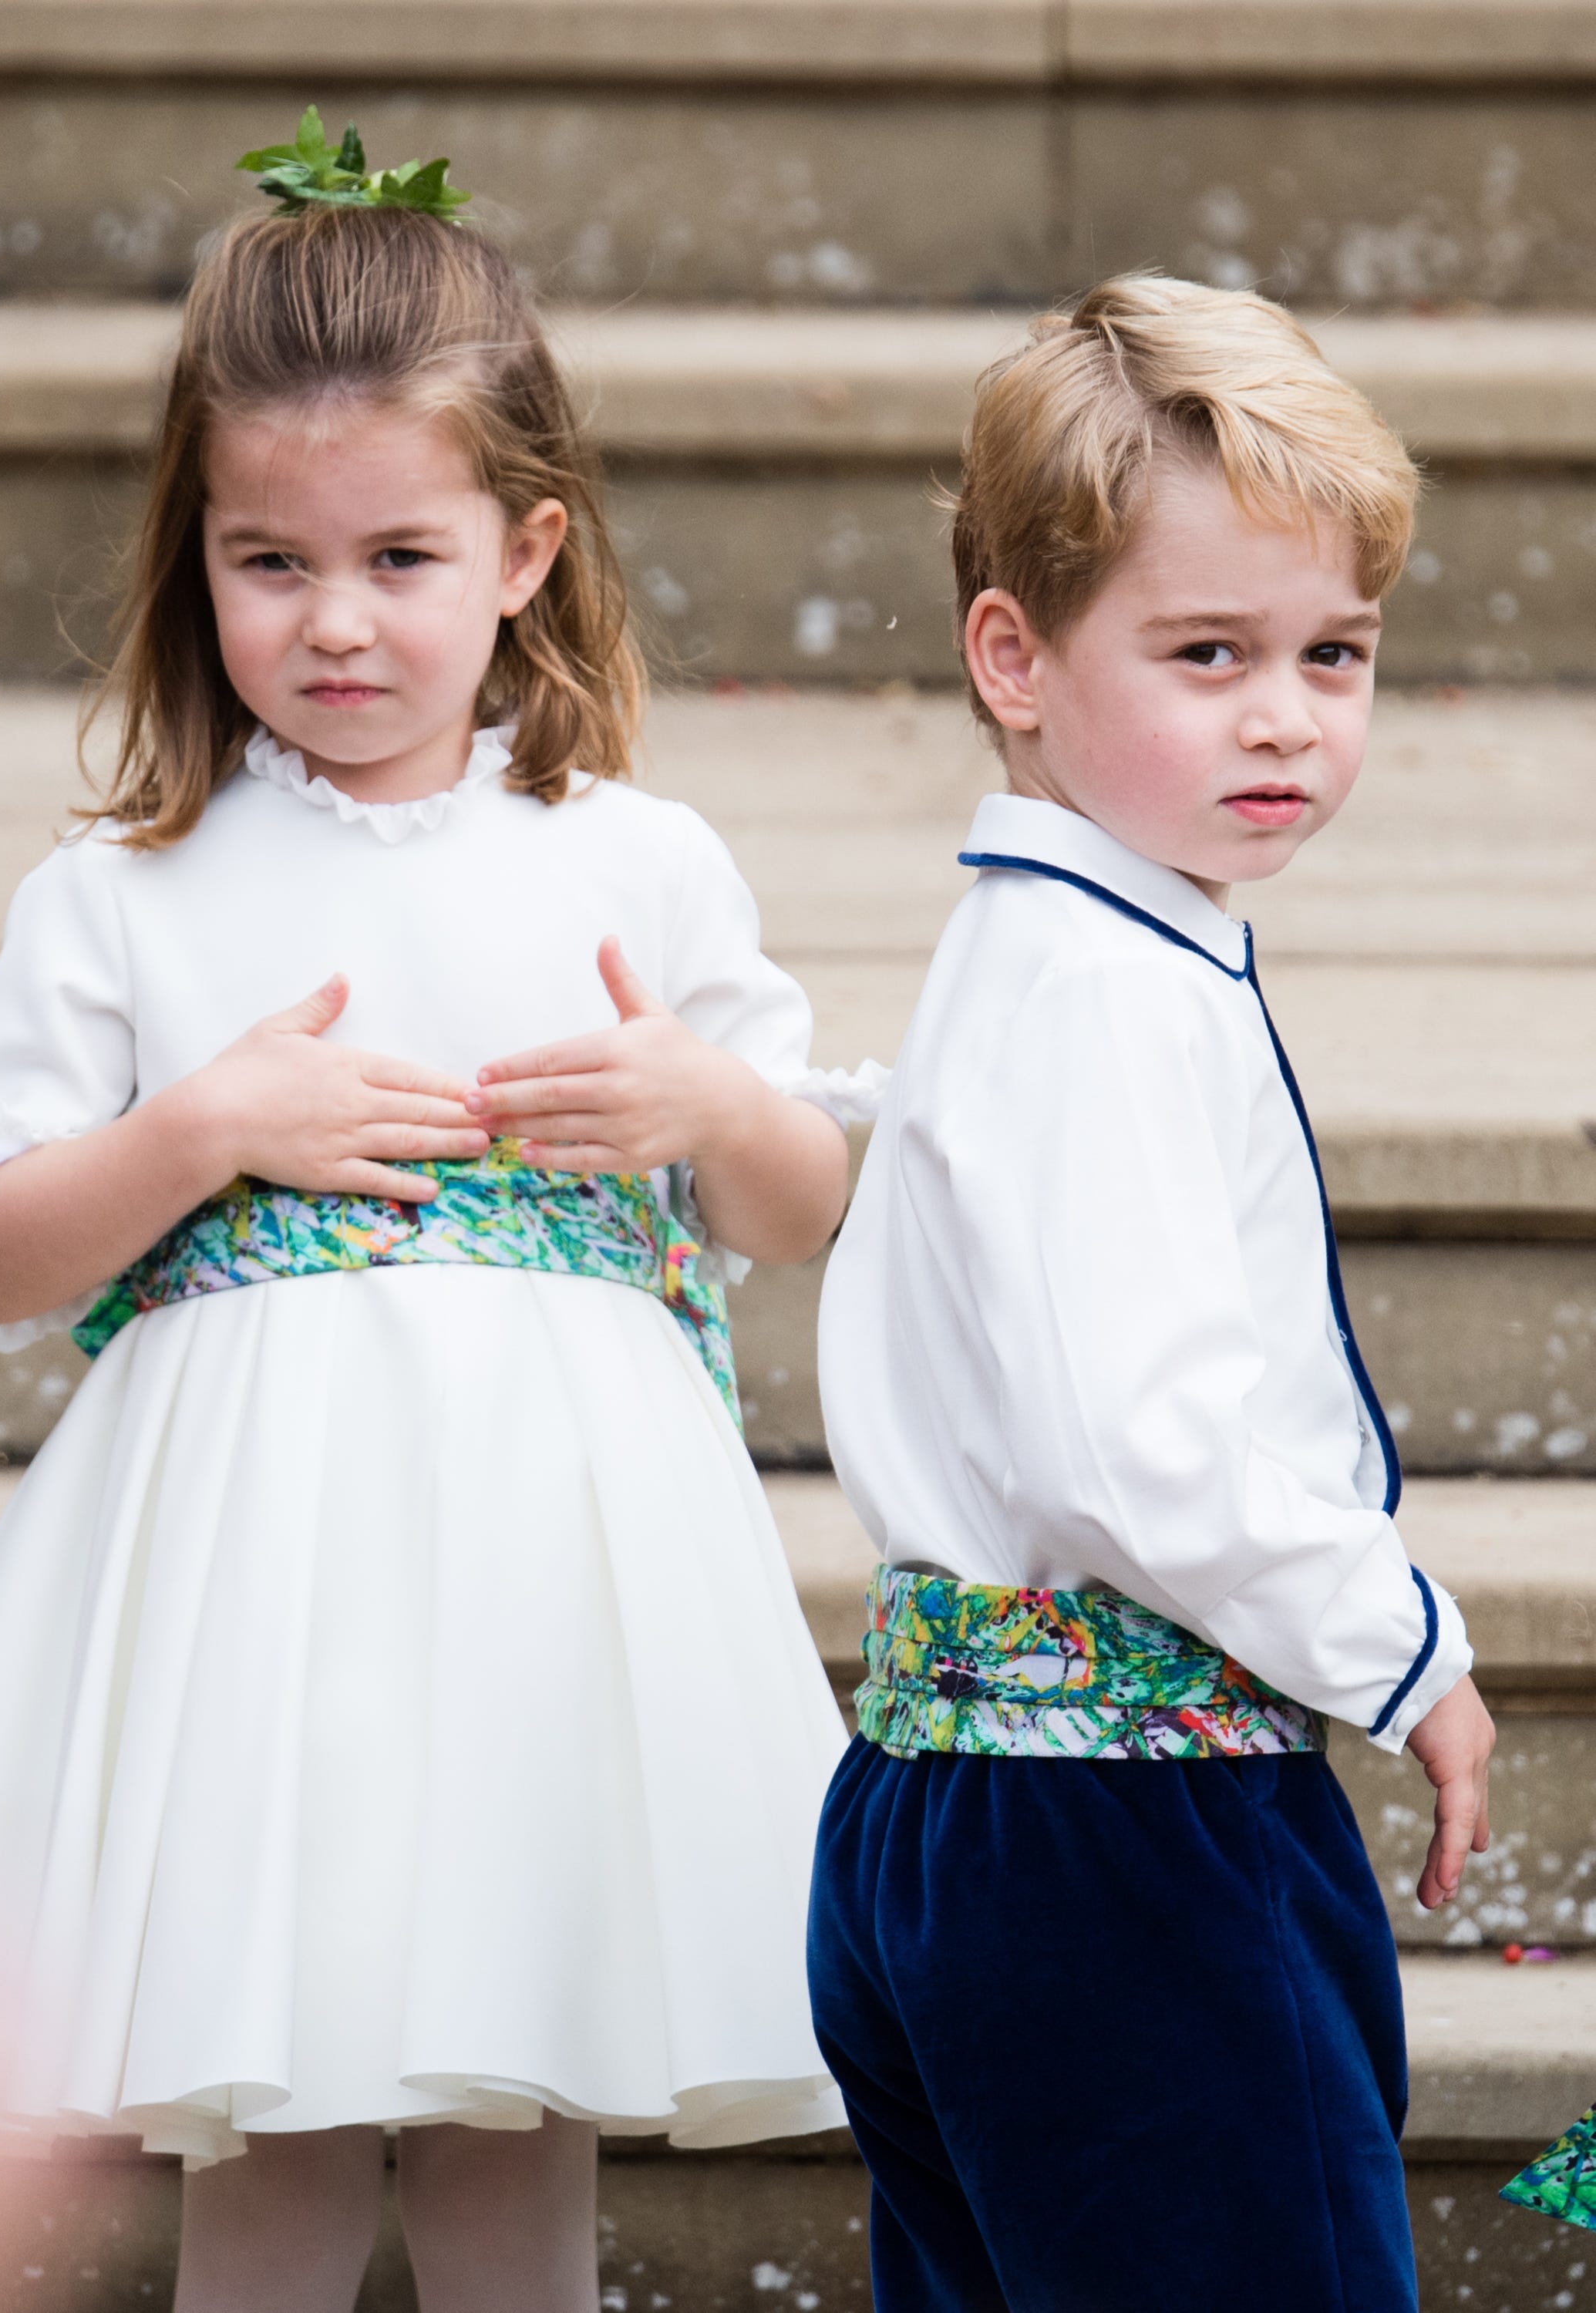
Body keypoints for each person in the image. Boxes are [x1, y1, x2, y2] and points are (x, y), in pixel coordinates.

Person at [0, 113, 860, 2313]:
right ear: (190, 557)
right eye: (268, 563)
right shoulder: (124, 892)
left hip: (547, 1568)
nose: (331, 622)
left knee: (519, 2129)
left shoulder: (634, 860)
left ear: (523, 550)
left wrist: (701, 1096)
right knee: (278, 2123)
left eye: (400, 559)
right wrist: (196, 1128)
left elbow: (796, 1204)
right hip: (257, 1594)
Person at [808, 274, 1498, 2311]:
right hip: (1131, 1847)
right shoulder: (1107, 995)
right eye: (1208, 655)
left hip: (948, 1814)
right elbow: (1145, 1438)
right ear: (1011, 657)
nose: (1284, 714)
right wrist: (1402, 1648)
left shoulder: (1048, 951)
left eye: (1333, 654)